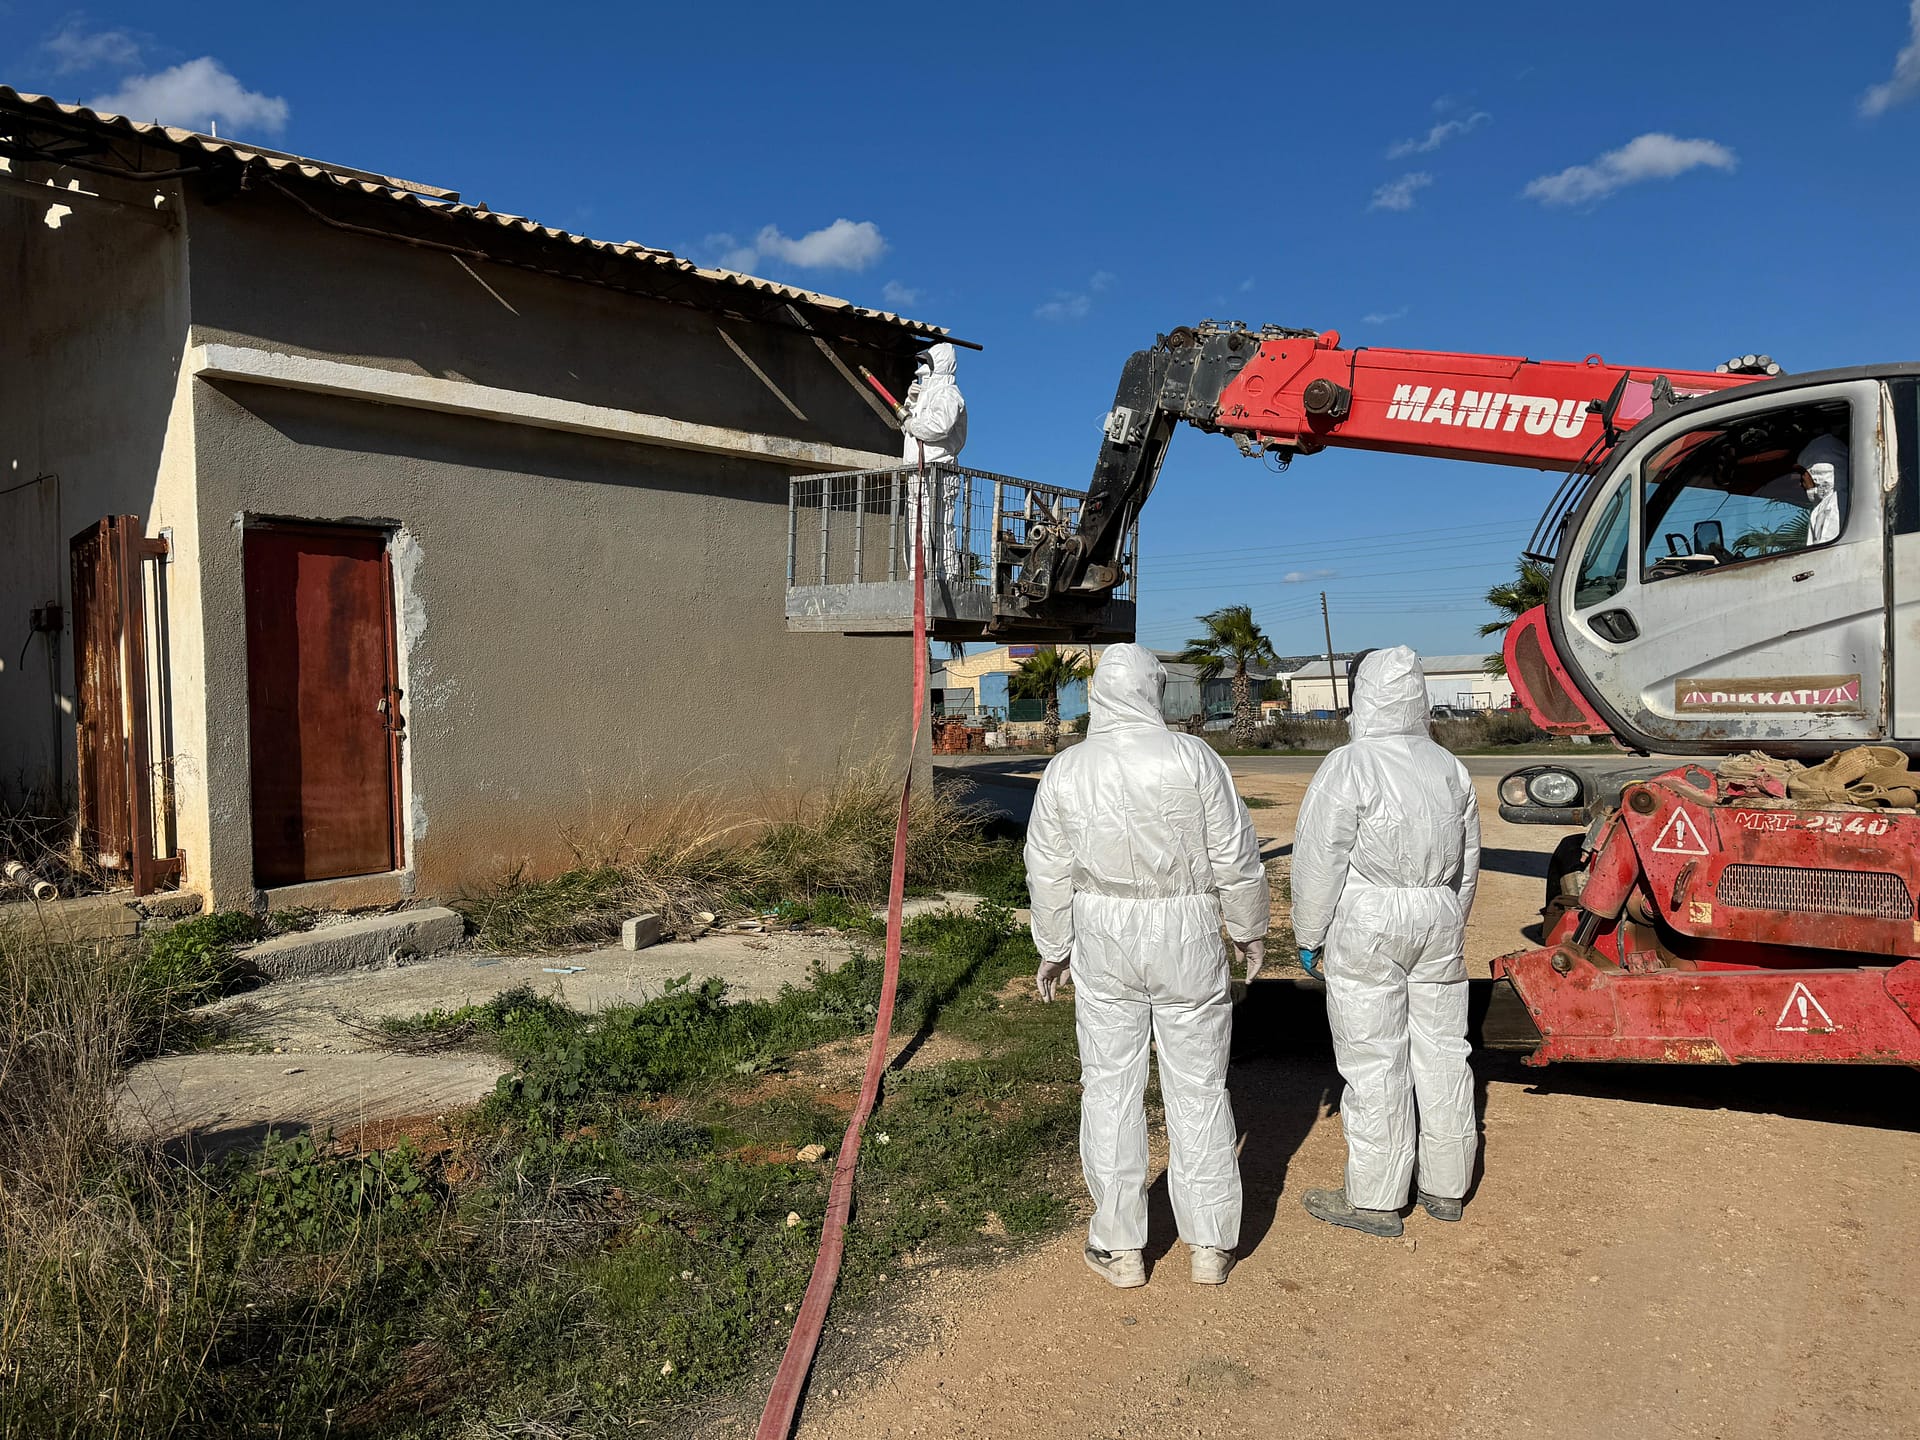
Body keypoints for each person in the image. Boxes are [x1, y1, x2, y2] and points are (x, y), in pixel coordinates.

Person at [1025, 645, 1270, 1287]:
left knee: (1110, 1086)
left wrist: (1054, 947)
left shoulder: (1068, 769)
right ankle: (1211, 1243)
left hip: (1104, 931)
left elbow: (1047, 869)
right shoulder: (1195, 759)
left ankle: (1121, 1245)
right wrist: (1248, 931)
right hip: (1186, 928)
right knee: (1199, 1086)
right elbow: (1235, 855)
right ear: (1155, 691)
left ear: (1100, 693)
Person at [1290, 646, 1480, 1238]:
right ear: (1420, 695)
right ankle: (1447, 1185)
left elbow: (1321, 859)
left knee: (1375, 1056)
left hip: (1370, 916)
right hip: (1437, 912)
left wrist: (1309, 932)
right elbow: (1468, 860)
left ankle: (1376, 1195)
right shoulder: (1449, 766)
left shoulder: (1350, 765)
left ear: (1365, 695)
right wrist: (1452, 916)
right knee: (1446, 1050)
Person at [898, 343, 967, 578]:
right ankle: (917, 577)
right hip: (917, 472)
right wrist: (911, 407)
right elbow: (911, 432)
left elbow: (937, 428)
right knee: (916, 529)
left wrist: (910, 421)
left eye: (926, 363)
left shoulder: (949, 394)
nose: (921, 370)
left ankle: (945, 578)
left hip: (939, 473)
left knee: (938, 528)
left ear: (939, 365)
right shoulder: (927, 397)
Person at [1797, 432, 1846, 546]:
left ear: (1816, 473)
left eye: (1803, 474)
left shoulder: (1833, 507)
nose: (1801, 483)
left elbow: (1826, 554)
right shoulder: (1839, 500)